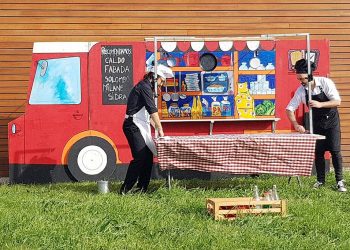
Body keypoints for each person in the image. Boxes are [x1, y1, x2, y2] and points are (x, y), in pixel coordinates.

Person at [286, 58, 346, 192]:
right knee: (318, 152)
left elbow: (337, 101)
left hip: (331, 121)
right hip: (316, 123)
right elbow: (289, 109)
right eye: (299, 79)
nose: (301, 82)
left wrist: (320, 104)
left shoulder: (325, 82)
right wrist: (296, 125)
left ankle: (339, 181)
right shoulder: (301, 91)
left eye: (302, 78)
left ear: (310, 75)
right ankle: (320, 180)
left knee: (335, 151)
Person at [120, 64, 174, 194]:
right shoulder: (144, 87)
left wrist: (155, 125)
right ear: (155, 77)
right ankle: (125, 189)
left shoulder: (146, 87)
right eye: (161, 82)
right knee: (139, 156)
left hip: (138, 124)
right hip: (132, 125)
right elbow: (152, 110)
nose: (161, 86)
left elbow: (145, 114)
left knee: (148, 156)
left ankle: (142, 188)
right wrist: (160, 129)